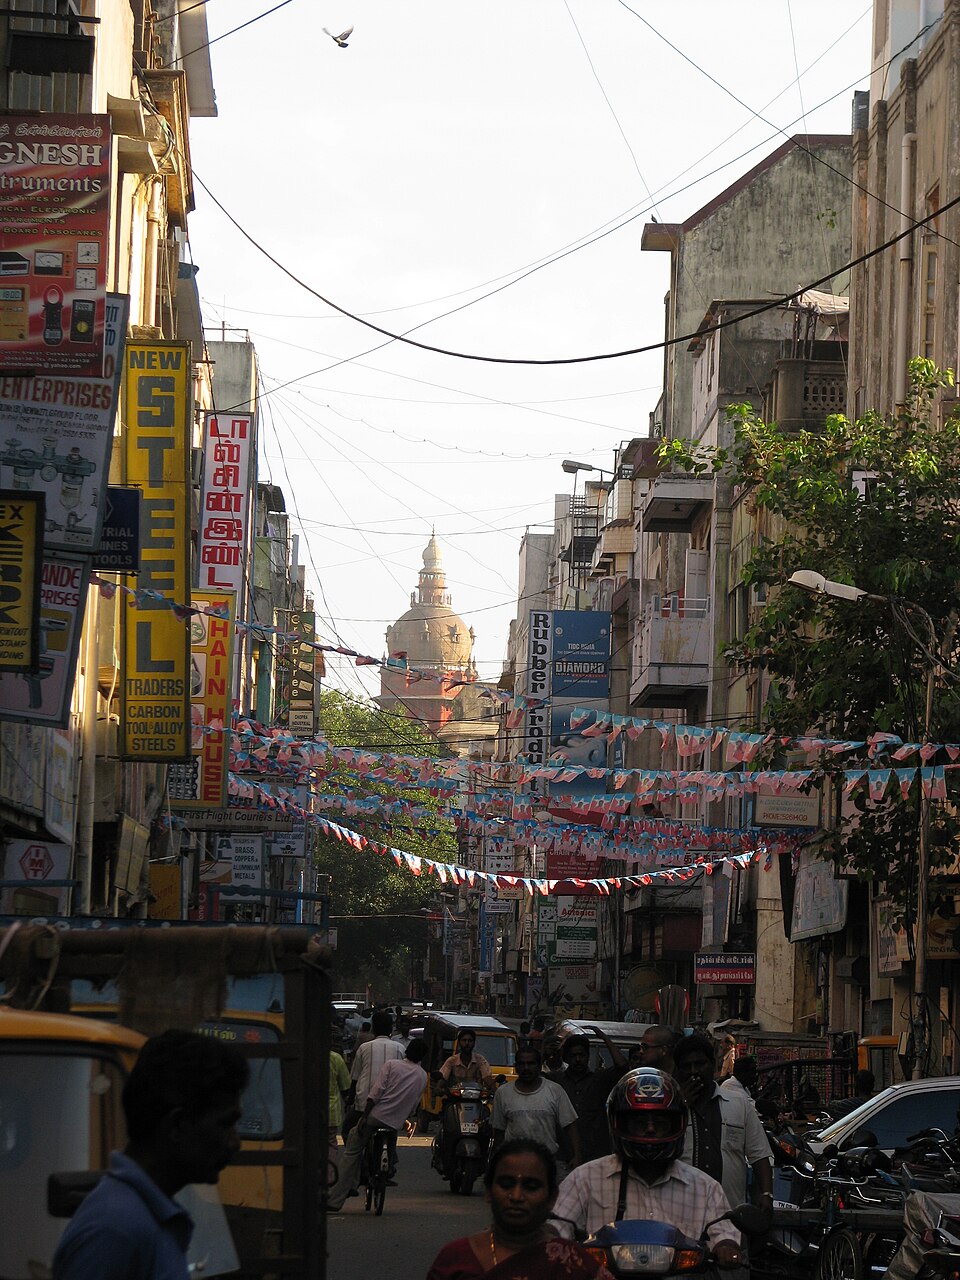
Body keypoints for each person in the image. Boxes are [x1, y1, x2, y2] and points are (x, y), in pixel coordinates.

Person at [53, 1029, 247, 1280]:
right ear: (178, 1125)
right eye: (225, 1125)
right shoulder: (115, 1231)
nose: (235, 1142)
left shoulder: (141, 1219)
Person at [550, 1067, 741, 1264]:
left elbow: (725, 1234)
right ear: (619, 1123)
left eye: (660, 1123)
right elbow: (558, 1223)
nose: (650, 1130)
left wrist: (726, 1248)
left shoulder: (706, 1188)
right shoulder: (585, 1178)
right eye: (639, 1122)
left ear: (678, 1124)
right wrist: (548, 1236)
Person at [426, 1140, 615, 1279]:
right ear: (489, 1192)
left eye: (531, 1187)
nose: (516, 1196)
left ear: (552, 1198)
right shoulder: (455, 1259)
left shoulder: (574, 1264)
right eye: (506, 1184)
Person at [673, 1033, 773, 1215]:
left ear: (713, 1065)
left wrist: (766, 1194)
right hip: (681, 1213)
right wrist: (680, 1106)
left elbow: (759, 1154)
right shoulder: (670, 1108)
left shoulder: (739, 1104)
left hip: (730, 1214)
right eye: (687, 1066)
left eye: (700, 1064)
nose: (694, 1071)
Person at [327, 1039, 429, 1211]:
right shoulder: (422, 1075)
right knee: (391, 1141)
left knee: (352, 1150)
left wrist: (364, 1117)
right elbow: (414, 1104)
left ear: (407, 1052)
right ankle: (387, 1167)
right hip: (395, 1123)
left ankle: (335, 1200)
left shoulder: (391, 1065)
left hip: (375, 1117)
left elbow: (376, 1093)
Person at [492, 1046, 581, 1168]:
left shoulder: (555, 1090)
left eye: (531, 1063)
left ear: (539, 1066)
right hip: (513, 1162)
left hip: (547, 1163)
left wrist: (576, 1156)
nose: (526, 1068)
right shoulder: (502, 1093)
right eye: (522, 1064)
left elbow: (570, 1125)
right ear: (516, 1067)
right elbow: (499, 1132)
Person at [554, 1029, 629, 1164]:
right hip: (564, 1155)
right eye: (573, 1056)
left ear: (588, 1056)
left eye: (581, 1055)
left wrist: (604, 1038)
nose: (578, 1060)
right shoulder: (557, 1081)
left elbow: (622, 1066)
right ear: (567, 1058)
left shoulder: (599, 1080)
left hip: (595, 1155)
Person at [328, 1044, 352, 1170]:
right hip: (331, 1113)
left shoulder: (305, 1056)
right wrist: (348, 1104)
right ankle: (329, 1176)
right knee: (330, 1144)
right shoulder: (336, 1058)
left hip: (307, 1111)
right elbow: (346, 1087)